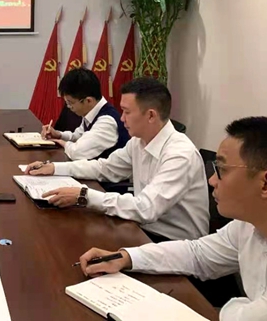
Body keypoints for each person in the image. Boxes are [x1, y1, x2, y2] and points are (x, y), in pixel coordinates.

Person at [78, 117, 267, 320]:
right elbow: (197, 254)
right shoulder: (246, 226)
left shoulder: (180, 152)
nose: (211, 180)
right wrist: (127, 257)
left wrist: (235, 306)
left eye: (221, 170)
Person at [26, 77, 209, 242]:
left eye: (126, 112)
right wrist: (54, 168)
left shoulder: (179, 155)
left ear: (151, 115)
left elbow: (146, 209)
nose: (121, 118)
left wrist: (84, 196)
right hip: (143, 229)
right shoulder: (138, 141)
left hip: (174, 243)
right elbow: (105, 168)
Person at [41, 68, 129, 159]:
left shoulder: (106, 122)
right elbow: (79, 135)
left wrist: (62, 143)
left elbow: (77, 152)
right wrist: (59, 135)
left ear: (88, 101)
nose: (68, 107)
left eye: (70, 103)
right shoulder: (92, 112)